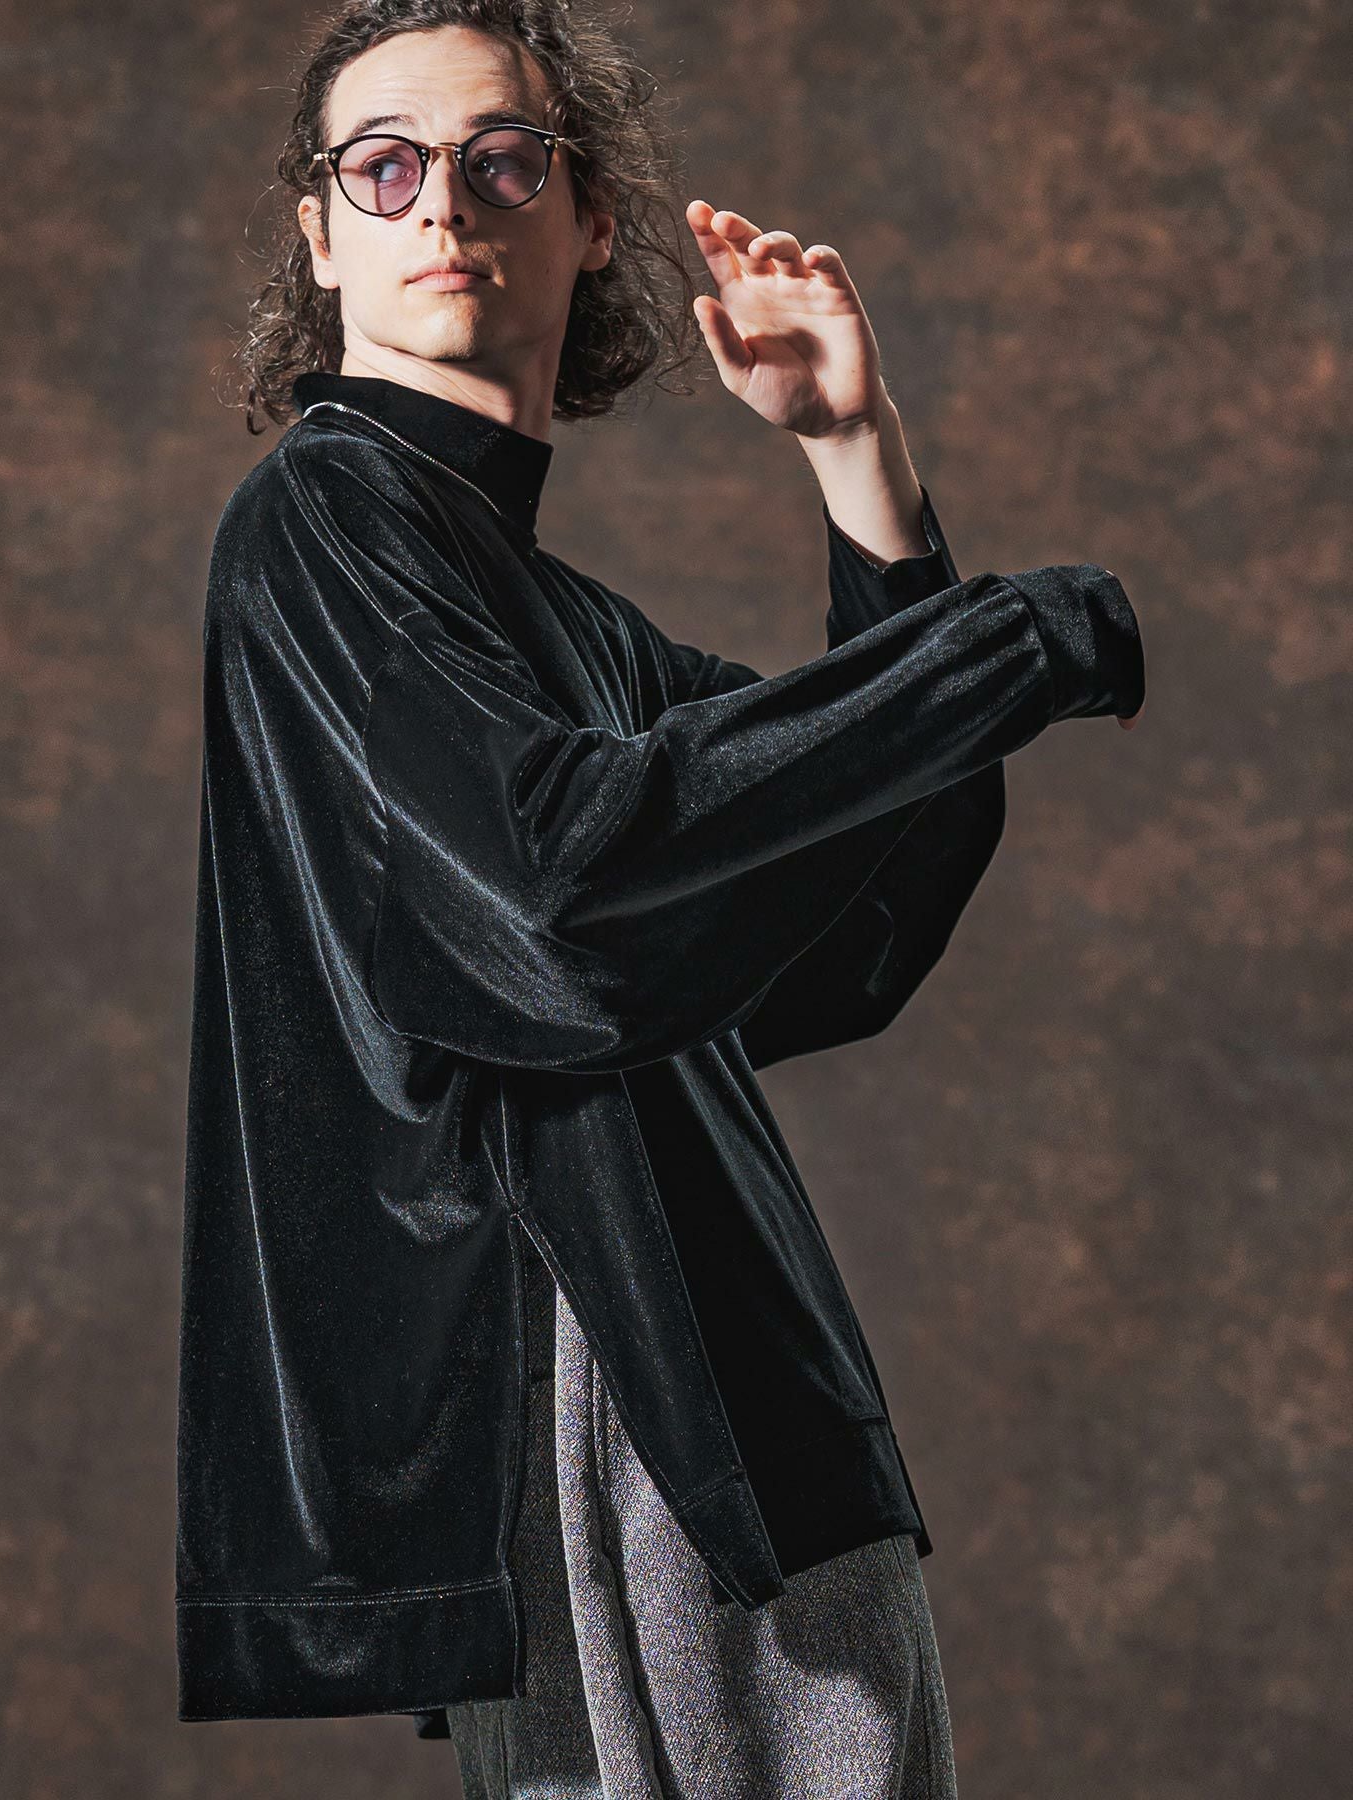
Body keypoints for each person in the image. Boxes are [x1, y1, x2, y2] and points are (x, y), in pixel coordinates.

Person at [174, 4, 1145, 1796]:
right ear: (319, 236)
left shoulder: (574, 627)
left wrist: (859, 463)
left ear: (590, 216)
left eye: (500, 160)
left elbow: (864, 912)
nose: (439, 204)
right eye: (381, 167)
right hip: (606, 1380)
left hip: (748, 1402)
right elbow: (558, 905)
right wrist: (1017, 644)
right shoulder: (325, 523)